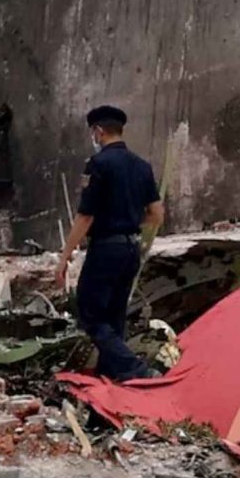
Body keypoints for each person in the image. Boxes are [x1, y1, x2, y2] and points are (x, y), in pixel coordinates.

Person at [57, 104, 164, 381]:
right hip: (131, 248)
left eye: (93, 132)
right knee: (115, 315)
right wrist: (129, 219)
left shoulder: (98, 165)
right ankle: (111, 373)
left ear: (99, 131)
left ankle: (135, 369)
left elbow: (85, 217)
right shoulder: (142, 166)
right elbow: (157, 215)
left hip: (106, 248)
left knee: (90, 313)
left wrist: (65, 255)